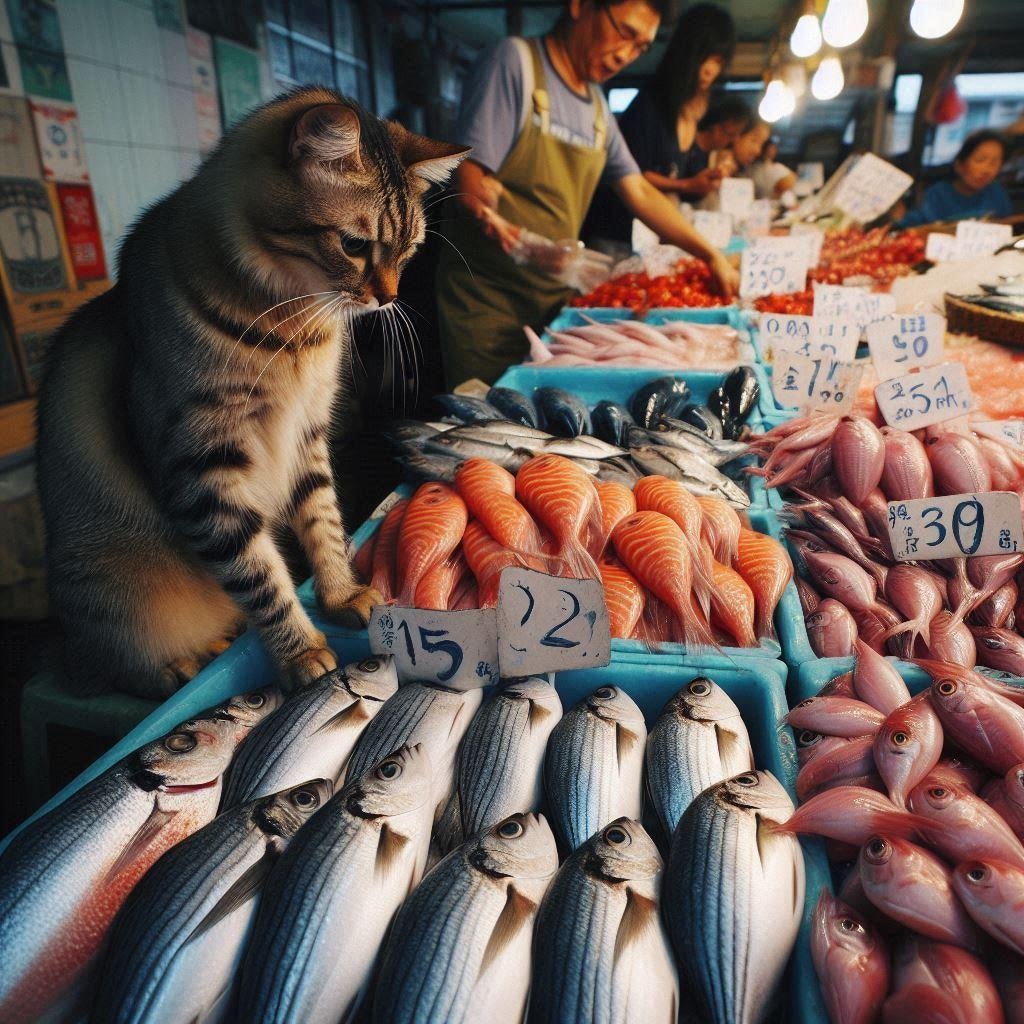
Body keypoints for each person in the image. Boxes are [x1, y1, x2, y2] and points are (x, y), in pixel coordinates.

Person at [435, 0, 739, 387]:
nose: (626, 55)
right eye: (625, 33)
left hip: (554, 306)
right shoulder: (515, 64)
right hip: (488, 306)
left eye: (641, 47)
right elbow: (470, 182)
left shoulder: (597, 106)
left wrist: (709, 253)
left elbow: (640, 192)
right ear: (581, 6)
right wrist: (485, 203)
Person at [582, 3, 737, 253]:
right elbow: (634, 178)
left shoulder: (694, 114)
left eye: (718, 61)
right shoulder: (650, 104)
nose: (710, 69)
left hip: (652, 242)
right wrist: (687, 185)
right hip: (616, 237)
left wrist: (704, 182)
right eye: (704, 56)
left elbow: (684, 186)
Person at [896, 129, 1013, 227]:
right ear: (959, 165)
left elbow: (1007, 225)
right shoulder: (938, 194)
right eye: (980, 160)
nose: (986, 170)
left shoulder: (996, 192)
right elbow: (912, 226)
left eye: (994, 163)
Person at [744, 136, 797, 202]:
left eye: (773, 149)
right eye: (771, 149)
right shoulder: (777, 168)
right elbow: (792, 181)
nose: (772, 151)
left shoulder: (749, 169)